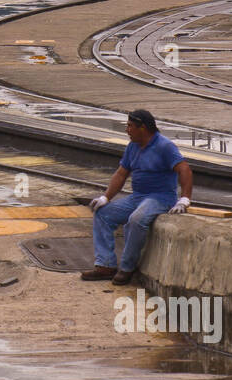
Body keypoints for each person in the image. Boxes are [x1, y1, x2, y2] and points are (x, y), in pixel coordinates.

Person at [81, 109, 193, 285]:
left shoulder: (164, 146)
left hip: (160, 197)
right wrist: (106, 198)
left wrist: (185, 199)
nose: (127, 130)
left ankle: (127, 267)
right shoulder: (133, 146)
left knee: (136, 220)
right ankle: (105, 265)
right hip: (138, 197)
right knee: (103, 213)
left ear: (143, 128)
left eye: (130, 126)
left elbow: (184, 169)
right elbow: (121, 174)